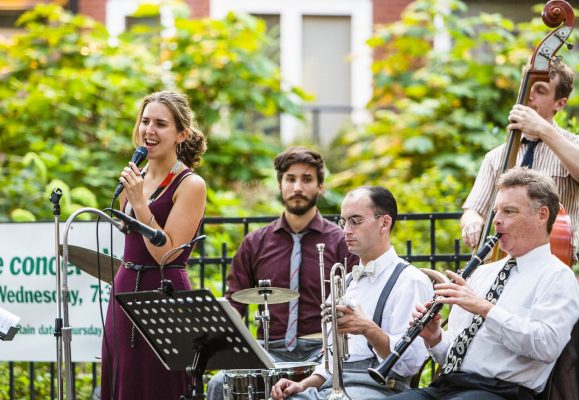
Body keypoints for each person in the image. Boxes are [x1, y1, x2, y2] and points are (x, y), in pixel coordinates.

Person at [386, 167, 579, 400]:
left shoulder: (557, 276)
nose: (496, 220)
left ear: (542, 215)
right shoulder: (483, 273)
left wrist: (485, 308)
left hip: (502, 392)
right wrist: (435, 337)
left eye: (509, 211)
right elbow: (452, 353)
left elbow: (546, 346)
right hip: (449, 387)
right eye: (496, 211)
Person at [207, 146, 356, 400]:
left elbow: (356, 300)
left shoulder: (340, 241)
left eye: (307, 179)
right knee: (219, 384)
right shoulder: (255, 243)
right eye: (290, 179)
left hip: (320, 352)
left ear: (320, 187)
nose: (298, 187)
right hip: (269, 351)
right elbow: (234, 304)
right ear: (279, 185)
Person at [271, 186, 434, 399]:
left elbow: (410, 364)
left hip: (380, 389)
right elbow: (330, 362)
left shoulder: (410, 281)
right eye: (343, 222)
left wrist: (368, 329)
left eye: (355, 221)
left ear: (384, 223)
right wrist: (302, 385)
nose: (346, 230)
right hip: (333, 388)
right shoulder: (347, 281)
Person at [100, 91, 207, 400]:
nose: (149, 130)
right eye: (145, 121)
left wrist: (140, 203)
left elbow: (166, 252)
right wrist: (132, 196)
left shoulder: (190, 184)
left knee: (159, 384)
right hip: (124, 288)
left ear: (181, 134)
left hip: (163, 290)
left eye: (160, 124)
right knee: (123, 380)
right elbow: (128, 235)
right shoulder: (136, 176)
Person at [461, 58, 579, 256]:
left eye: (541, 91)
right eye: (528, 88)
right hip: (501, 264)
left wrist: (542, 129)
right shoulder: (496, 157)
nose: (529, 96)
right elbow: (473, 210)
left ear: (560, 104)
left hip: (554, 264)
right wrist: (472, 221)